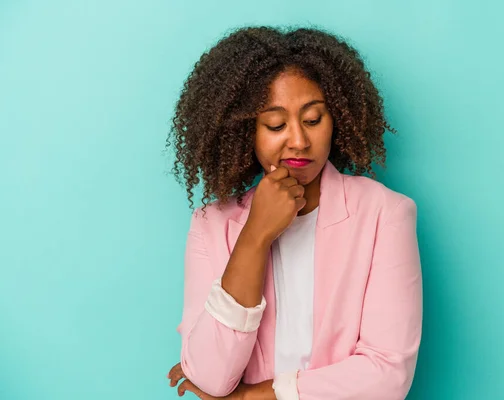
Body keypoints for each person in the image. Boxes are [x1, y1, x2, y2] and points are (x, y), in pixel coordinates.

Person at [165, 26, 422, 400]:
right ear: (245, 132)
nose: (299, 140)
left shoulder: (386, 214)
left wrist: (251, 397)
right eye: (275, 124)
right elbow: (208, 376)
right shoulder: (211, 226)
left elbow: (387, 374)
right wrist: (254, 236)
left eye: (314, 119)